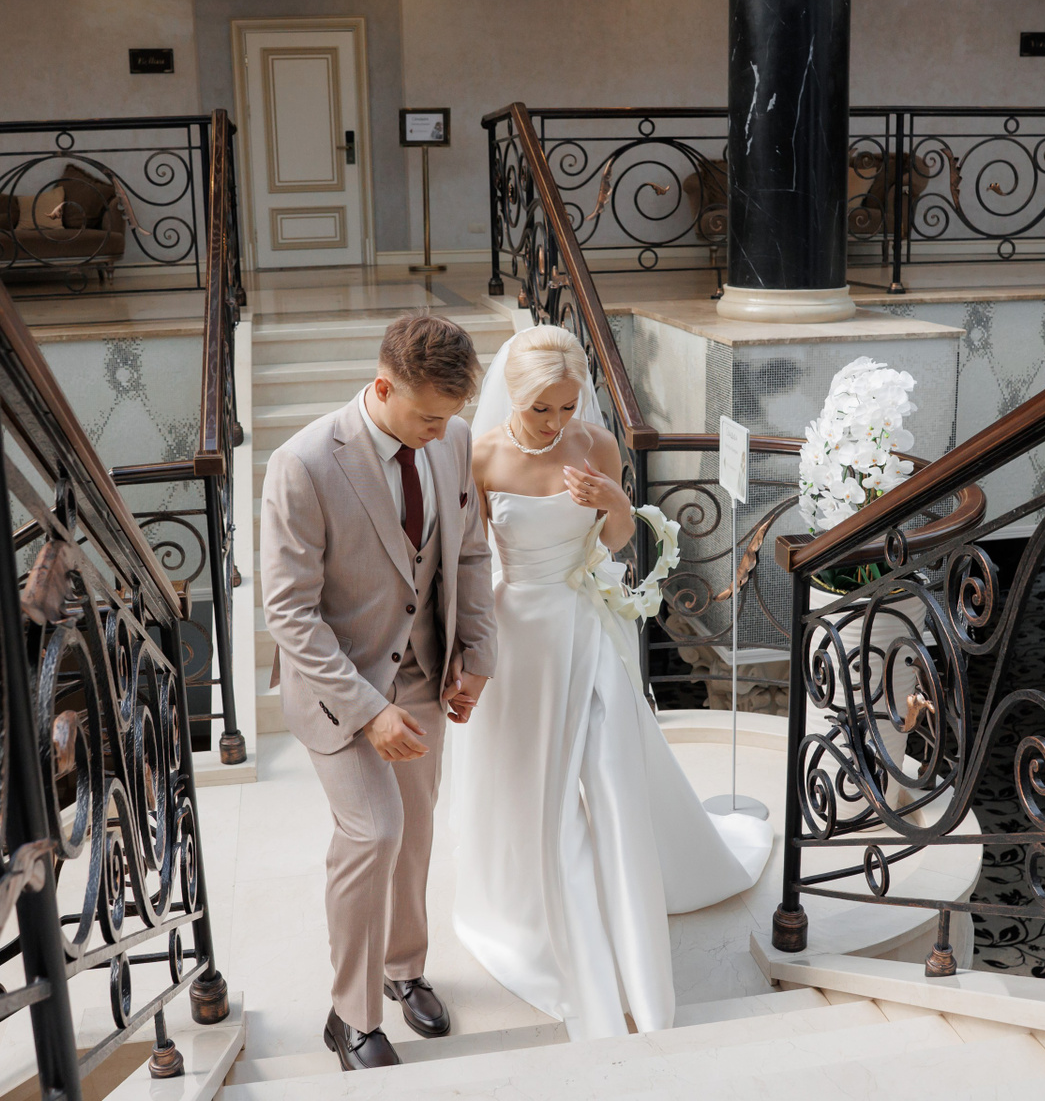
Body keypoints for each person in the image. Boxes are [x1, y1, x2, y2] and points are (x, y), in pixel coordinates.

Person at [450, 324, 771, 1041]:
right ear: (514, 396)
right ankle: (546, 921)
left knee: (612, 773)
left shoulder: (595, 445)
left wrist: (614, 504)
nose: (558, 421)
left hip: (588, 629)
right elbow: (470, 557)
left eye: (568, 406)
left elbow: (618, 542)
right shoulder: (480, 455)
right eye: (543, 409)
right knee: (539, 788)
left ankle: (634, 936)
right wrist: (469, 653)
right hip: (518, 634)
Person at [259, 313, 497, 1071]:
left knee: (415, 833)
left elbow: (469, 552)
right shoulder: (302, 464)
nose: (440, 432)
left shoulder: (452, 440)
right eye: (428, 417)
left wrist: (477, 653)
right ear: (383, 386)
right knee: (374, 833)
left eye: (450, 417)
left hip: (425, 674)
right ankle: (351, 1018)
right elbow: (288, 612)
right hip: (340, 688)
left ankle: (404, 970)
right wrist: (369, 711)